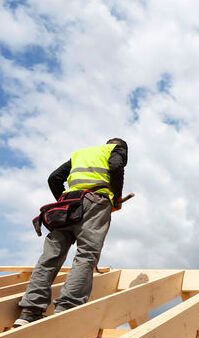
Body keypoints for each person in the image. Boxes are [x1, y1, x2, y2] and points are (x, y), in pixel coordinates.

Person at [13, 138, 128, 327]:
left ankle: (29, 311)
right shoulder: (116, 150)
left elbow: (54, 178)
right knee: (86, 255)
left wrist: (64, 199)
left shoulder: (81, 154)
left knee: (49, 257)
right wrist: (115, 198)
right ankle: (67, 310)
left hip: (66, 205)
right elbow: (116, 167)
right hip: (95, 203)